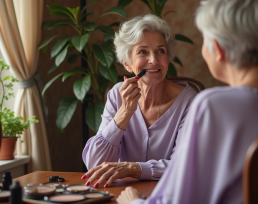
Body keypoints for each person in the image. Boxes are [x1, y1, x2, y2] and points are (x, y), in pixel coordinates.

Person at [116, 0, 258, 203]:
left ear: (217, 49)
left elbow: (179, 199)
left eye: (204, 40)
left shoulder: (213, 106)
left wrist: (133, 201)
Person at [81, 14, 197, 188]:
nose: (154, 60)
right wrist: (125, 112)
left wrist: (132, 168)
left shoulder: (189, 102)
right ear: (127, 64)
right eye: (143, 51)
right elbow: (95, 164)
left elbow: (184, 165)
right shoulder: (116, 95)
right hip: (120, 196)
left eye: (161, 51)